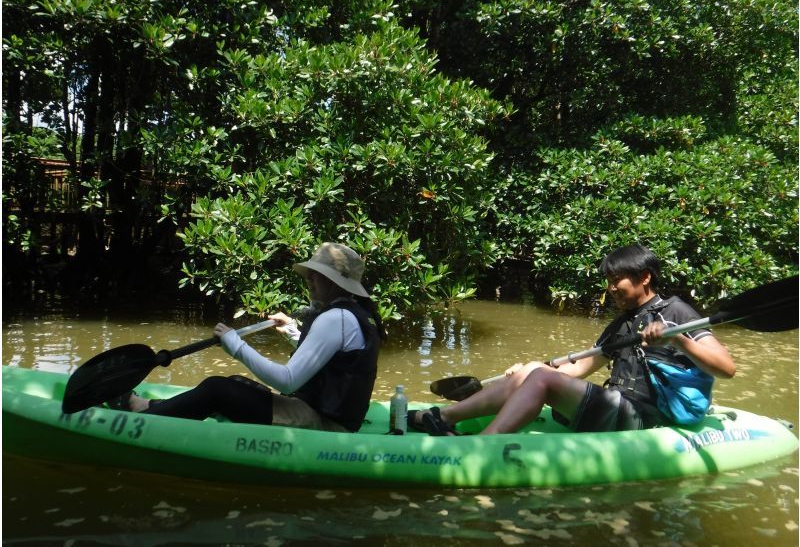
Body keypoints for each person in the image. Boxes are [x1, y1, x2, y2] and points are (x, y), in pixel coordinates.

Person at [409, 245, 736, 435]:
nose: (611, 288)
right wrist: (524, 377)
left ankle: (483, 443)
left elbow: (726, 369)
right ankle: (445, 417)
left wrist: (679, 341)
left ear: (644, 277)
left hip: (644, 417)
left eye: (617, 279)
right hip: (617, 403)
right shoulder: (622, 323)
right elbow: (579, 369)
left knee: (540, 376)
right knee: (534, 370)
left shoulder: (676, 311)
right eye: (608, 280)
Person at [109, 242, 385, 432]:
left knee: (218, 389)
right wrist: (293, 331)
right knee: (236, 383)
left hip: (325, 424)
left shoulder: (335, 318)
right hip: (328, 414)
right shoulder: (354, 313)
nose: (309, 278)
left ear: (335, 281)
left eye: (317, 274)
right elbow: (338, 362)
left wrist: (235, 345)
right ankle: (149, 405)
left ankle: (142, 421)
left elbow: (288, 380)